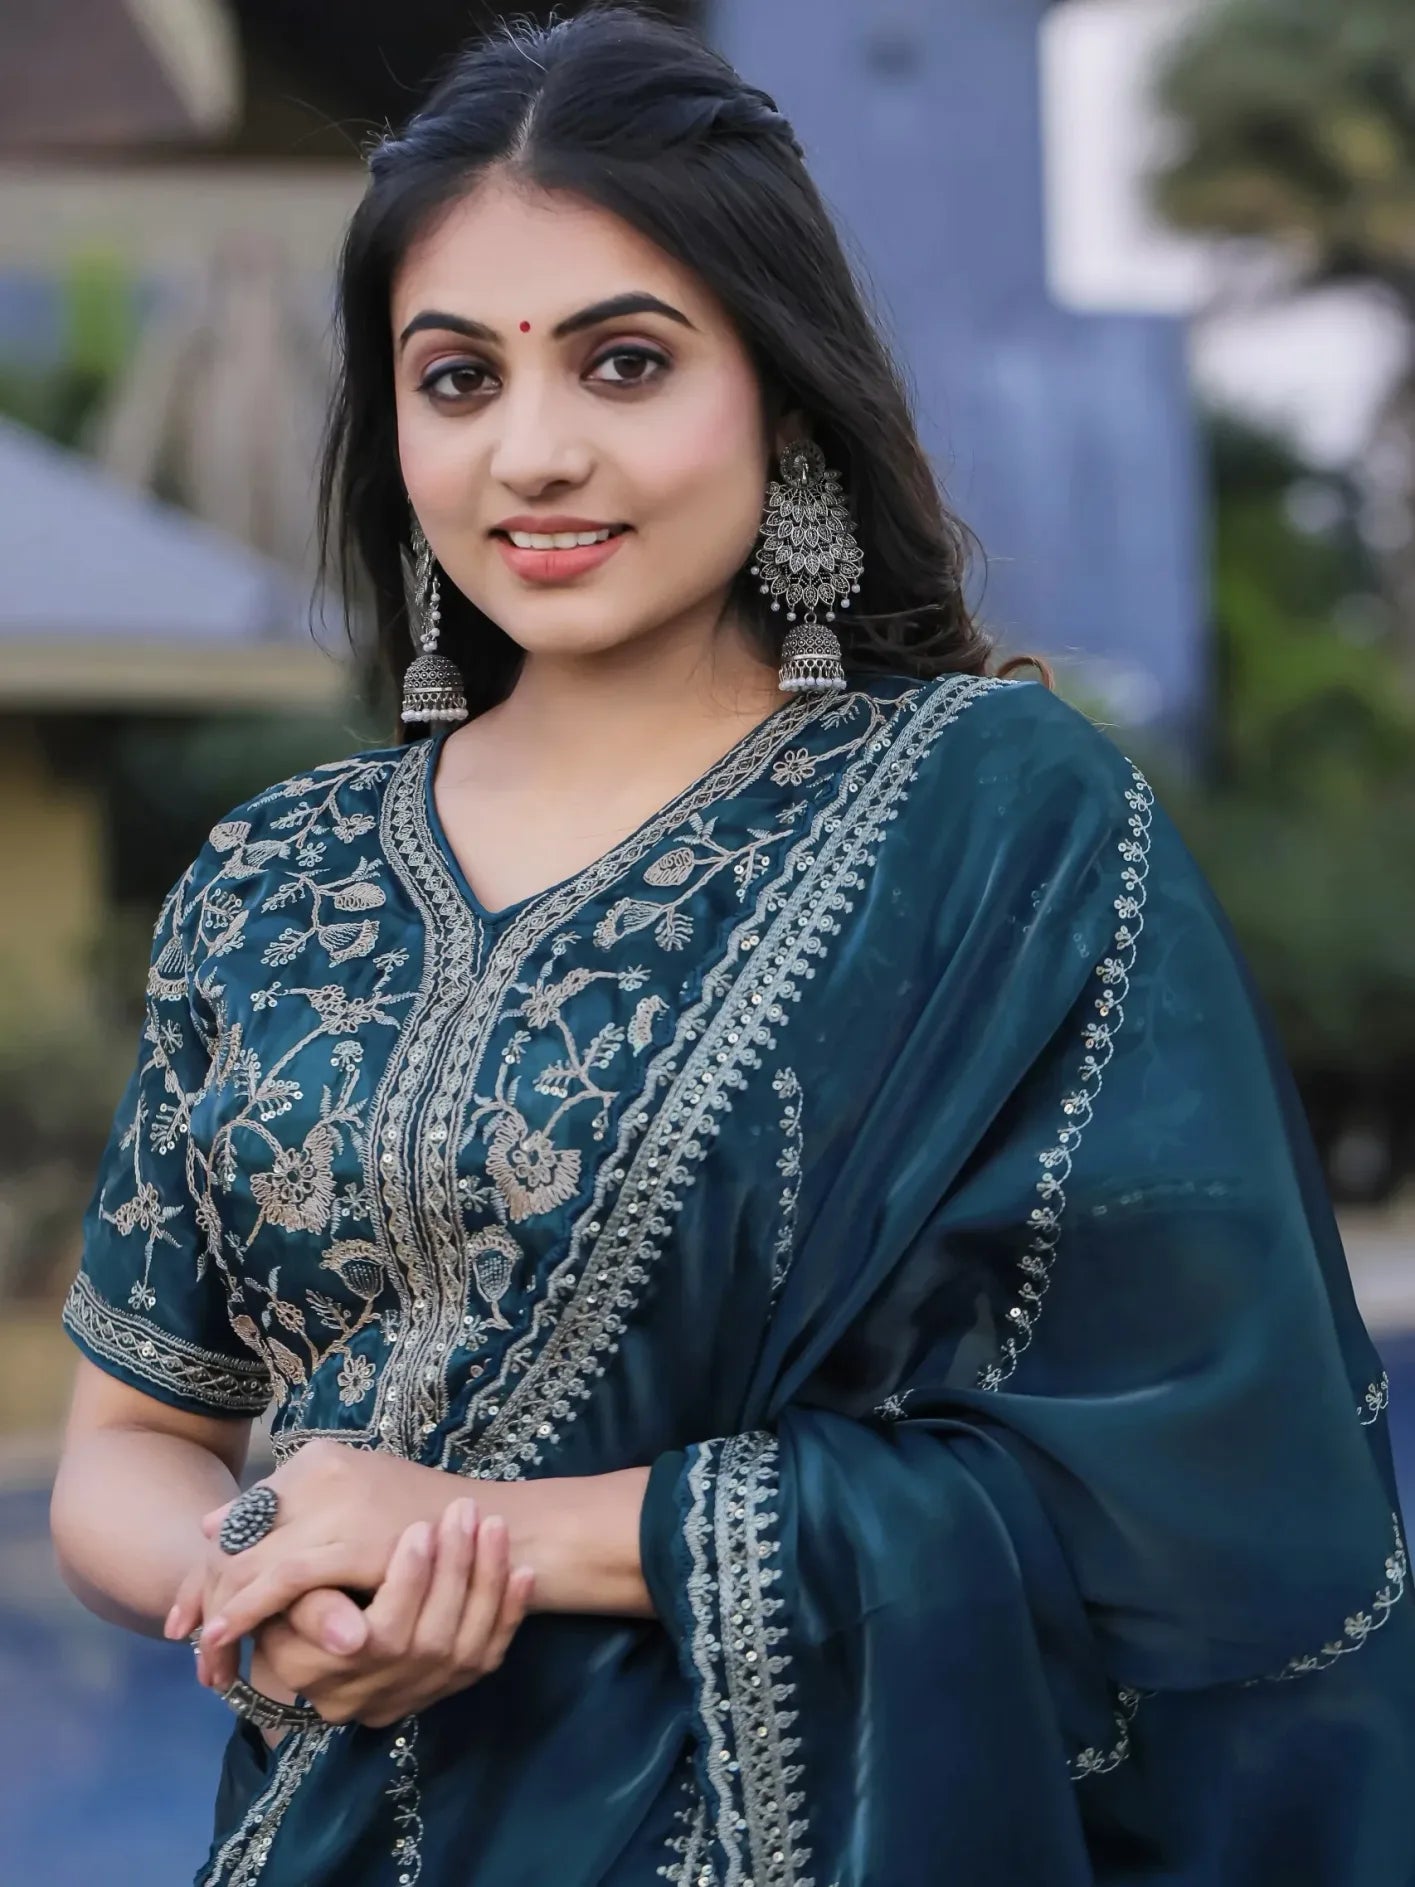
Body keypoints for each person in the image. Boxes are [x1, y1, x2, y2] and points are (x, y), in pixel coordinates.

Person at [49, 7, 1415, 1884]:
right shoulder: (268, 878)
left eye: (623, 363)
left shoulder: (995, 821)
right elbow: (124, 1440)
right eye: (457, 379)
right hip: (327, 1831)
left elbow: (1203, 1484)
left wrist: (491, 1537)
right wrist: (259, 1586)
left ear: (775, 387)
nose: (534, 452)